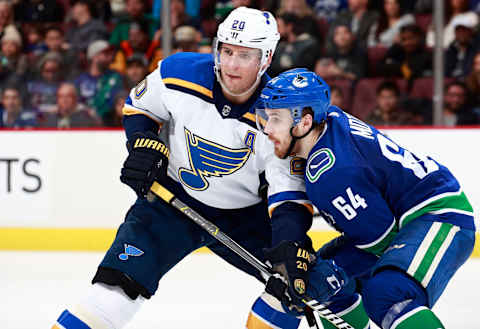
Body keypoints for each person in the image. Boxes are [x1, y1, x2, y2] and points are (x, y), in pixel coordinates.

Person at [51, 7, 327, 329]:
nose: (232, 65)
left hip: (246, 217)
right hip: (170, 202)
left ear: (265, 58)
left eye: (245, 56)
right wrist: (142, 144)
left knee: (298, 284)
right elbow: (140, 107)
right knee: (115, 289)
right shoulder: (177, 73)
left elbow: (287, 193)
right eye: (227, 51)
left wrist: (289, 242)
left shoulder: (278, 114)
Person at [256, 68, 476, 329]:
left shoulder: (331, 175)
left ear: (304, 123)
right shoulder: (328, 120)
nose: (267, 128)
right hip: (408, 217)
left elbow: (383, 242)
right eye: (266, 117)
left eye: (276, 119)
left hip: (440, 215)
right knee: (322, 282)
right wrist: (329, 275)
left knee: (387, 294)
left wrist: (335, 276)